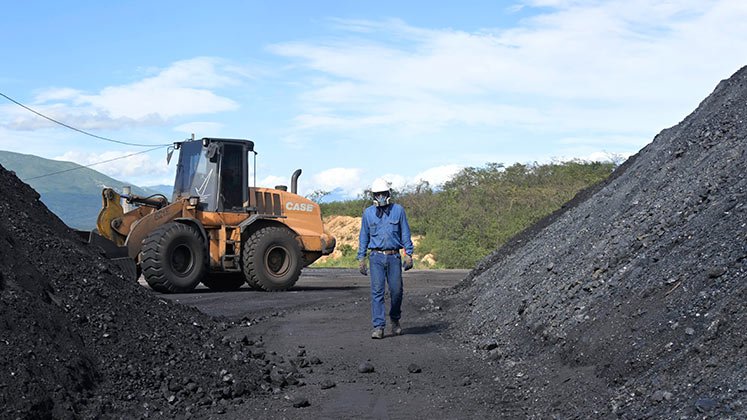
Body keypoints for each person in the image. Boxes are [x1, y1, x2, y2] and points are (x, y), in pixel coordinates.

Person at [357, 179, 414, 339]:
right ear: (373, 196)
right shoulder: (368, 213)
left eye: (383, 194)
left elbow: (405, 233)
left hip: (394, 257)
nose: (381, 197)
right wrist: (361, 258)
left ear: (389, 194)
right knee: (377, 292)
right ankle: (378, 327)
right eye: (378, 194)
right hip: (375, 257)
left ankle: (395, 319)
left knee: (396, 292)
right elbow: (364, 236)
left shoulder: (398, 210)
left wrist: (408, 254)